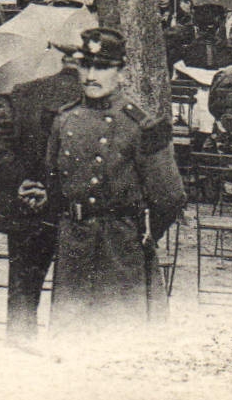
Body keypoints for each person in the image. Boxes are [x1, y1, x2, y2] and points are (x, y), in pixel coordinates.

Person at [42, 29, 186, 331]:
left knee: (120, 336)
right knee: (71, 337)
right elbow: (54, 182)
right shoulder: (64, 119)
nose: (92, 75)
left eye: (103, 67)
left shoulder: (140, 125)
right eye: (86, 66)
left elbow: (170, 197)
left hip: (121, 246)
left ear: (120, 72)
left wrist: (144, 235)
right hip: (75, 243)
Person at [0, 36, 82, 343]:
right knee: (74, 292)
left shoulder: (24, 92)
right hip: (72, 209)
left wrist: (20, 180)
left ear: (59, 56)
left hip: (25, 205)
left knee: (23, 289)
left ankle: (19, 349)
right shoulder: (92, 101)